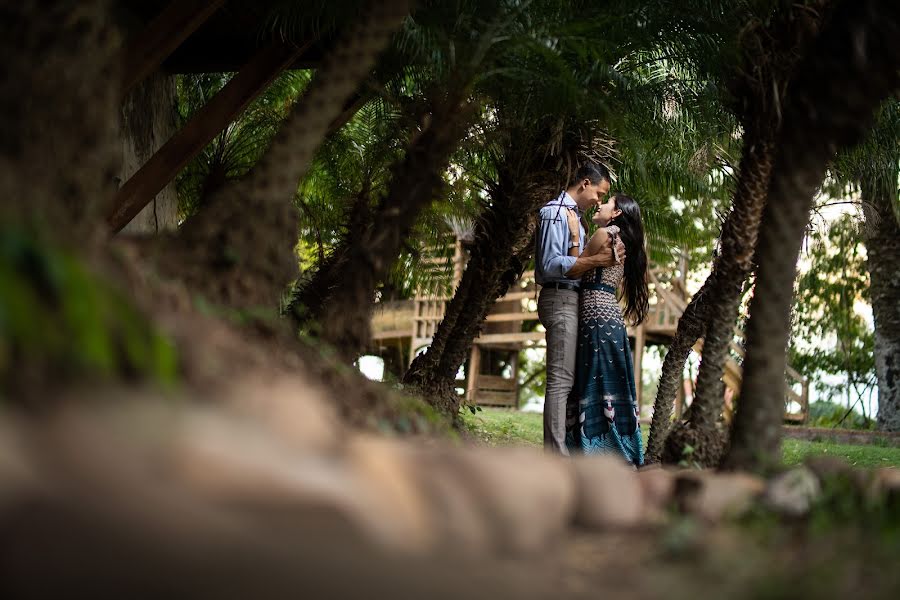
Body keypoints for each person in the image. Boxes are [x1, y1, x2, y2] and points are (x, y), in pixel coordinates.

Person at [535, 163, 624, 455]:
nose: (599, 200)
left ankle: (568, 450)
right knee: (561, 380)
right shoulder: (554, 213)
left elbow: (575, 260)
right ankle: (556, 457)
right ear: (585, 183)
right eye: (599, 193)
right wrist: (598, 261)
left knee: (570, 381)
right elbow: (550, 267)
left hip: (572, 299)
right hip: (559, 297)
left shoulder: (577, 220)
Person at [566, 193, 649, 466]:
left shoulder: (605, 234)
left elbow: (573, 268)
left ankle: (595, 449)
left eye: (607, 202)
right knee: (608, 381)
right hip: (609, 315)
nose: (599, 204)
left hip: (594, 314)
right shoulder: (619, 238)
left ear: (615, 214)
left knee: (592, 379)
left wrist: (576, 235)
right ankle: (620, 447)